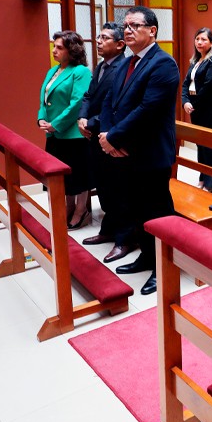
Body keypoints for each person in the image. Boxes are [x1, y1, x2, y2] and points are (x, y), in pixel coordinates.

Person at [100, 7, 180, 296]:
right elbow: (111, 100)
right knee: (136, 210)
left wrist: (114, 137)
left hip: (151, 153)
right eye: (125, 26)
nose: (128, 30)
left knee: (158, 212)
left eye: (134, 25)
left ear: (152, 31)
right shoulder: (126, 62)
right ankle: (147, 255)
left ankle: (165, 267)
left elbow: (147, 110)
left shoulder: (163, 64)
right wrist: (106, 135)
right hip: (126, 151)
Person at [78, 23, 129, 253]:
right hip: (94, 135)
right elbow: (89, 96)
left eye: (105, 38)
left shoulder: (123, 68)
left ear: (119, 45)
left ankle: (124, 237)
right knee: (103, 185)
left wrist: (92, 122)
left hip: (112, 134)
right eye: (98, 36)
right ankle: (108, 229)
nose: (98, 41)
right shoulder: (100, 67)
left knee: (118, 188)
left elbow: (117, 105)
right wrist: (81, 118)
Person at [38, 31, 93, 230]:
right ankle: (68, 207)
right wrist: (42, 118)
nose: (54, 50)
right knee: (61, 177)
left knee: (77, 175)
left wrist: (56, 123)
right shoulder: (52, 71)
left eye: (59, 47)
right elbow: (44, 98)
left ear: (72, 50)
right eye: (54, 46)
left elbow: (77, 103)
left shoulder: (81, 72)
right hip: (53, 133)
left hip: (73, 134)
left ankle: (81, 211)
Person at [181, 28, 212, 193]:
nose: (199, 42)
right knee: (200, 143)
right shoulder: (195, 60)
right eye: (197, 39)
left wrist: (194, 103)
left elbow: (209, 86)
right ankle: (202, 177)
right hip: (195, 106)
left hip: (209, 107)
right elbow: (185, 84)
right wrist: (185, 101)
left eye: (204, 39)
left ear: (211, 43)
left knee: (211, 144)